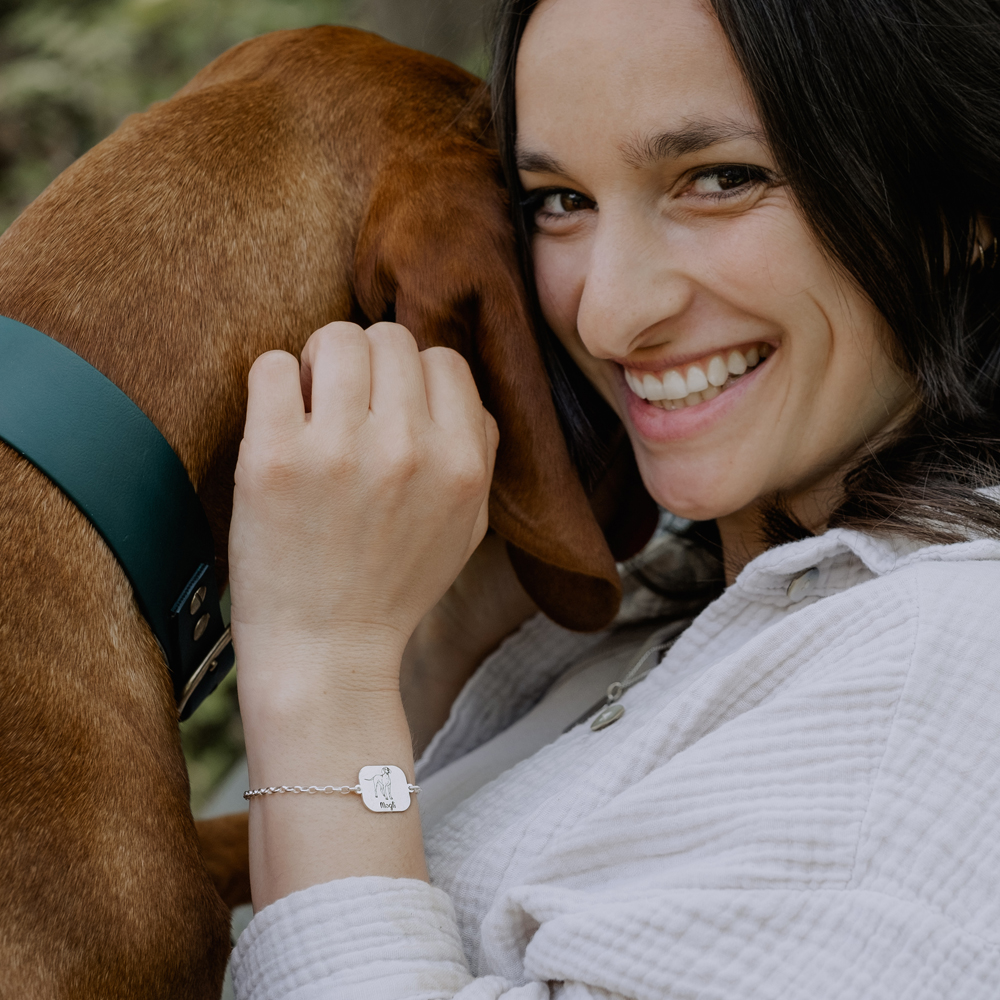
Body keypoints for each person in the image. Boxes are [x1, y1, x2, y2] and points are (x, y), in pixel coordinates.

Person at [226, 0, 1000, 996]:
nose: (607, 311)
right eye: (557, 200)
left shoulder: (943, 662)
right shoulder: (667, 609)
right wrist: (439, 648)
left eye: (720, 179)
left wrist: (321, 664)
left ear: (967, 201)